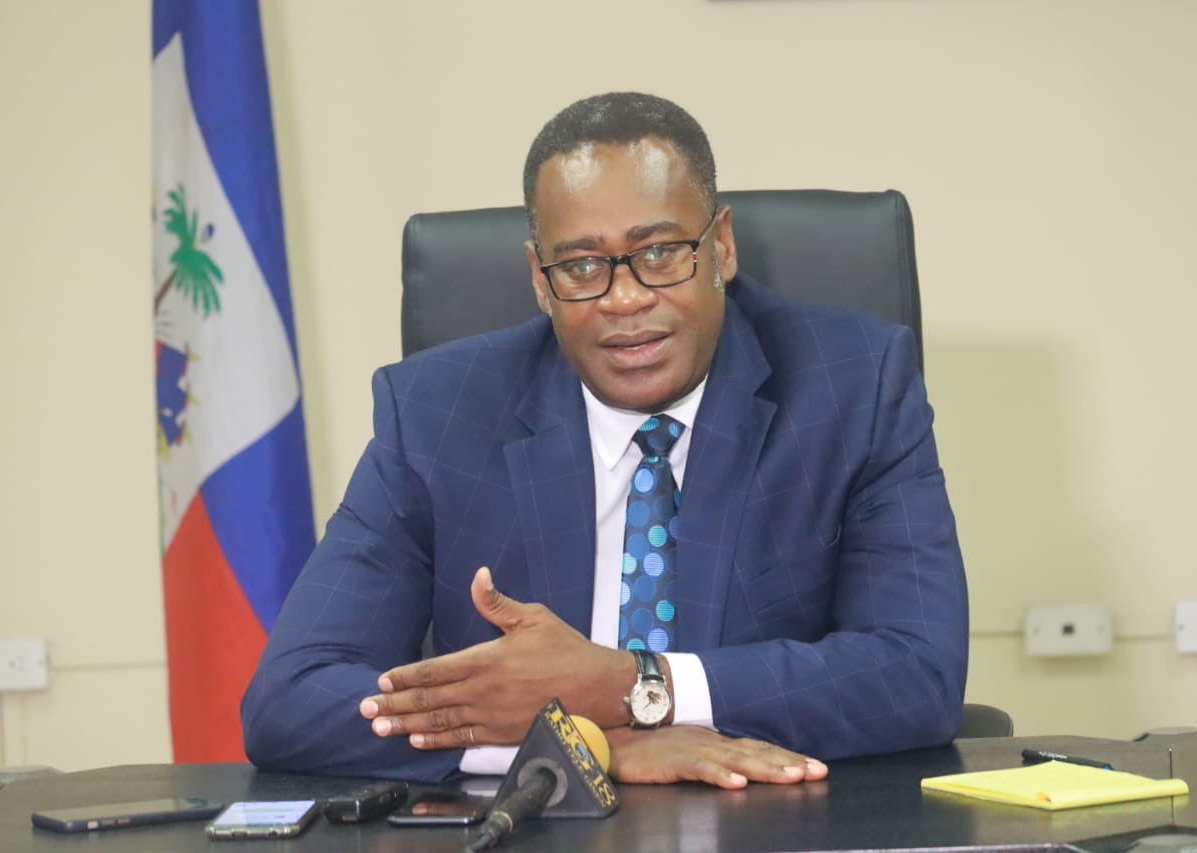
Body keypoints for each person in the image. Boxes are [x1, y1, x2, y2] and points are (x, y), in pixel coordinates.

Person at [242, 92, 968, 788]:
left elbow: (917, 673)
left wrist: (635, 684)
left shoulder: (853, 386)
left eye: (661, 252)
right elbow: (291, 699)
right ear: (540, 279)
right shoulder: (437, 414)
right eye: (583, 266)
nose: (625, 298)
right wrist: (588, 744)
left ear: (721, 246)